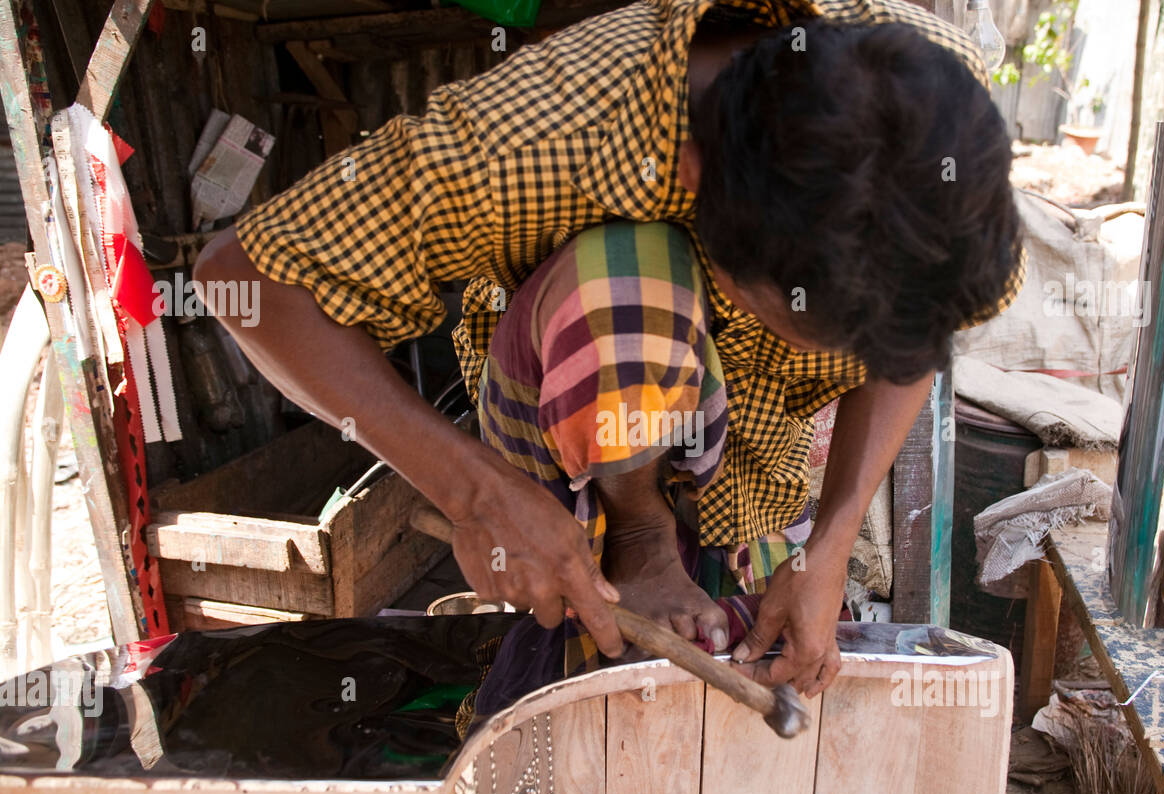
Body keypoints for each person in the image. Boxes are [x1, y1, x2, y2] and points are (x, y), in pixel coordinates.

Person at [195, 0, 1025, 710]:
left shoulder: (937, 127)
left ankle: (731, 555)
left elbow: (912, 340)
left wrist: (836, 531)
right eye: (798, 318)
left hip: (757, 465)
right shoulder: (529, 139)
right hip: (564, 434)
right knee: (629, 280)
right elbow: (241, 277)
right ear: (696, 180)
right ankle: (637, 537)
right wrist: (477, 493)